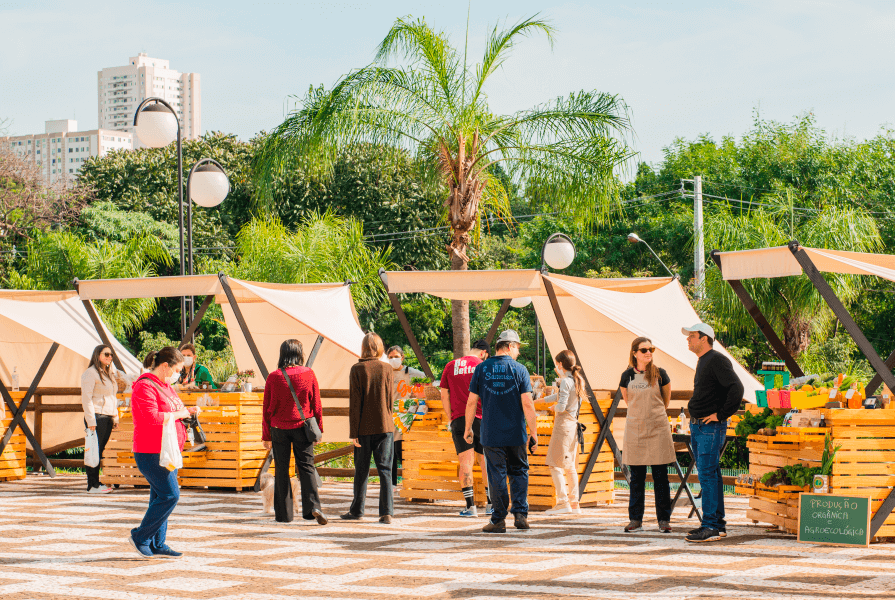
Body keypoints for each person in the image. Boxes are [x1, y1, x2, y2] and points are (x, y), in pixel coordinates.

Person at [465, 330, 537, 533]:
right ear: (510, 346)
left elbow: (472, 402)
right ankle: (521, 515)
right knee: (519, 471)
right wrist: (534, 432)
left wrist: (468, 427)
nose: (518, 353)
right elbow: (528, 404)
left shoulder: (481, 369)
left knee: (496, 473)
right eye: (518, 348)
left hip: (491, 433)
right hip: (516, 433)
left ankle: (498, 519)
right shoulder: (520, 370)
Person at [128, 347, 197, 559]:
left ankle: (158, 543)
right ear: (165, 366)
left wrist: (187, 413)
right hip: (151, 451)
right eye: (177, 370)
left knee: (159, 496)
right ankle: (140, 537)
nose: (180, 375)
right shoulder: (144, 386)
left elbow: (174, 411)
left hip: (167, 450)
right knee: (170, 495)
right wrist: (179, 413)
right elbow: (152, 417)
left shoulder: (165, 386)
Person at [682, 323, 744, 543]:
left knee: (707, 475)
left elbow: (737, 388)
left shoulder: (717, 360)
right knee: (711, 475)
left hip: (710, 426)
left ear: (704, 338)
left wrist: (721, 414)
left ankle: (710, 526)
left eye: (692, 336)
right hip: (700, 426)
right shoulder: (703, 361)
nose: (688, 339)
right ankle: (716, 525)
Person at [262, 339, 327, 525]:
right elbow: (317, 405)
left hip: (279, 428)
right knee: (307, 467)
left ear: (282, 354)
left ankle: (284, 515)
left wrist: (266, 435)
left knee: (281, 470)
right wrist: (319, 430)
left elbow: (267, 408)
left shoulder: (274, 377)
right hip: (302, 427)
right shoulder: (308, 374)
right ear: (300, 353)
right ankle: (313, 508)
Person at [619, 337, 674, 533]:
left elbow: (665, 401)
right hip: (635, 429)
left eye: (651, 349)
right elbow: (628, 401)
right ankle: (635, 519)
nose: (648, 352)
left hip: (658, 428)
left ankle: (664, 520)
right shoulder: (626, 376)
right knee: (637, 477)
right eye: (644, 350)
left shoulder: (661, 374)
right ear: (635, 353)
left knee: (661, 476)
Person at [343, 332, 395, 523]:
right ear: (380, 348)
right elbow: (390, 398)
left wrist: (353, 432)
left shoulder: (357, 369)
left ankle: (357, 511)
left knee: (361, 470)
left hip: (363, 428)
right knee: (385, 470)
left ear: (364, 348)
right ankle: (387, 512)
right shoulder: (387, 368)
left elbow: (355, 404)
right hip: (385, 425)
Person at [440, 339, 491, 517]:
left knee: (465, 463)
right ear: (483, 353)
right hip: (481, 418)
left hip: (459, 419)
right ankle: (490, 505)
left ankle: (470, 507)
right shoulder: (483, 366)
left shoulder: (450, 365)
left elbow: (444, 395)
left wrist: (451, 417)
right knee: (485, 462)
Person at [543, 350, 587, 515]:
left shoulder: (565, 382)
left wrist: (553, 408)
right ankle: (574, 503)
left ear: (560, 364)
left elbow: (561, 406)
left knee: (554, 464)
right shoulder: (577, 380)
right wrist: (540, 400)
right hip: (573, 426)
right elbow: (561, 397)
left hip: (563, 427)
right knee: (570, 467)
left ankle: (562, 502)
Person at [80, 345, 120, 493]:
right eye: (107, 354)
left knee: (99, 450)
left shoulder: (108, 373)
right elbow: (86, 398)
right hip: (96, 416)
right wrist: (91, 421)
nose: (110, 357)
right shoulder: (90, 373)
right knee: (93, 451)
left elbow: (112, 397)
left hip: (107, 416)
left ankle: (96, 483)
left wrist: (115, 416)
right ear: (98, 355)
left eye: (111, 355)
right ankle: (93, 485)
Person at [387, 345, 425, 487]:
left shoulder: (410, 372)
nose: (393, 359)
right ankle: (391, 485)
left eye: (396, 357)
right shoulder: (386, 372)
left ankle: (411, 482)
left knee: (402, 451)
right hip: (389, 415)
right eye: (390, 357)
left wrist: (416, 396)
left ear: (402, 357)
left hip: (404, 416)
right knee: (389, 453)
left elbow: (425, 379)